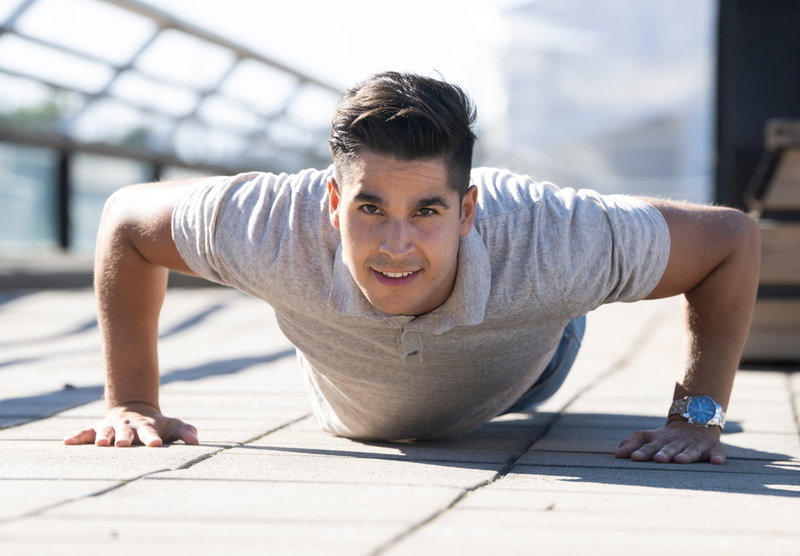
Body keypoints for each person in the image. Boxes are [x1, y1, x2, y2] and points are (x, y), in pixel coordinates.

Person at [63, 71, 760, 464]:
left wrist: (697, 419)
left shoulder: (554, 239)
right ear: (332, 202)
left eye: (427, 210)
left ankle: (555, 312)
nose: (396, 244)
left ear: (467, 210)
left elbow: (731, 240)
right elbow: (125, 221)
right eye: (370, 208)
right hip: (359, 393)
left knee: (555, 289)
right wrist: (133, 404)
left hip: (529, 354)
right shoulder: (271, 223)